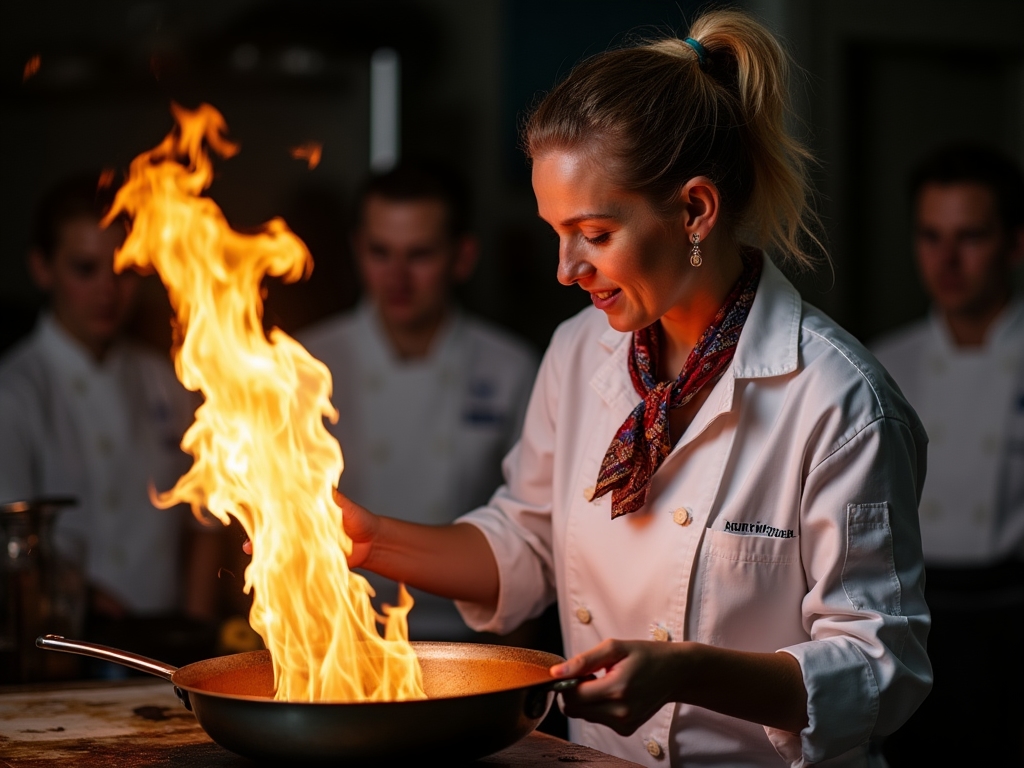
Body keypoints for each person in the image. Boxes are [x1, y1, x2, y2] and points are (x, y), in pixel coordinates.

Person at [249, 10, 931, 765]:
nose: (566, 270)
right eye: (555, 233)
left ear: (695, 210)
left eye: (595, 235)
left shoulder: (839, 401)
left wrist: (687, 672)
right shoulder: (580, 353)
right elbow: (528, 541)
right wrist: (361, 537)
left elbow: (881, 668)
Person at [299, 162, 539, 641]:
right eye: (380, 253)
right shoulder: (304, 361)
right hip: (338, 630)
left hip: (471, 637)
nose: (397, 277)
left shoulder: (512, 368)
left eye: (420, 255)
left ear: (462, 256)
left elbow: (532, 533)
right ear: (356, 250)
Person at [0, 174, 221, 653]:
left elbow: (205, 521)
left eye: (122, 268)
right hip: (66, 647)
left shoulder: (163, 376)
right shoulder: (15, 391)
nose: (107, 289)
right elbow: (12, 549)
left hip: (169, 641)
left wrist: (197, 633)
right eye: (85, 268)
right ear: (42, 268)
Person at [871, 144, 1024, 766]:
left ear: (1015, 244)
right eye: (931, 236)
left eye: (971, 237)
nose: (948, 260)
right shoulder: (880, 365)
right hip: (917, 622)